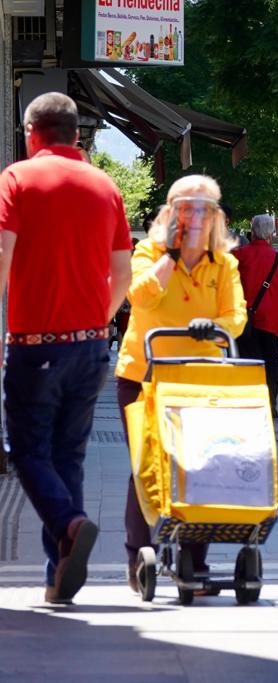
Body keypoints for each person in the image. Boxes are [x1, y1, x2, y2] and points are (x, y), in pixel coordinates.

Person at [0, 92, 133, 604]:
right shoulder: (106, 186)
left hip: (36, 344)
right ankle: (60, 577)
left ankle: (69, 524)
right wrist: (94, 322)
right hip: (92, 345)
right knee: (68, 457)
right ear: (77, 135)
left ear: (31, 132)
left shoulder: (17, 179)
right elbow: (122, 274)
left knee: (28, 452)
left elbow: (3, 257)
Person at [115, 174, 246, 593]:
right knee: (147, 466)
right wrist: (170, 256)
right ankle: (138, 556)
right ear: (170, 215)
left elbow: (236, 315)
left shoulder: (225, 263)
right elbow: (139, 296)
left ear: (215, 218)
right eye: (186, 209)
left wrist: (217, 327)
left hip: (199, 380)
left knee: (201, 466)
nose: (195, 218)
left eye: (204, 209)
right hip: (144, 376)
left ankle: (194, 562)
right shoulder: (148, 252)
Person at [234, 214, 278, 418]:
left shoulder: (238, 255)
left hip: (244, 320)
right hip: (269, 320)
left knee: (245, 360)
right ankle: (270, 401)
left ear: (252, 232)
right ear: (271, 234)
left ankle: (248, 400)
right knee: (271, 361)